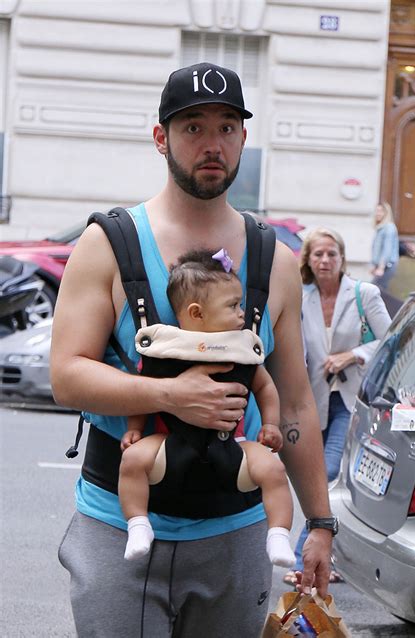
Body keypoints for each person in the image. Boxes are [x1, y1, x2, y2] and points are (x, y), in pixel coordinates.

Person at [50, 61, 333, 638]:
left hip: (235, 533)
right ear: (162, 138)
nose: (213, 144)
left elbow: (298, 405)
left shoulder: (276, 262)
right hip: (119, 528)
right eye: (194, 127)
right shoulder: (108, 245)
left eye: (227, 127)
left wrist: (321, 523)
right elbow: (65, 376)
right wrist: (170, 395)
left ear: (243, 139)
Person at [119, 248, 295, 568]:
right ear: (197, 313)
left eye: (240, 304)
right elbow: (144, 391)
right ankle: (138, 525)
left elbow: (266, 386)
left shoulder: (242, 347)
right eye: (233, 306)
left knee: (273, 469)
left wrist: (270, 424)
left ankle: (279, 535)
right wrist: (134, 428)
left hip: (234, 448)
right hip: (172, 446)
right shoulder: (165, 349)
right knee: (132, 461)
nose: (243, 313)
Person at [284, 227, 391, 586]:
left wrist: (353, 355)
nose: (326, 260)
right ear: (308, 261)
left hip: (354, 400)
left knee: (328, 471)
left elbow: (390, 341)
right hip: (314, 400)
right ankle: (333, 558)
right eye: (318, 254)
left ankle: (306, 560)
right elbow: (295, 349)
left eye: (332, 253)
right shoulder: (302, 297)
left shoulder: (364, 294)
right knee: (334, 480)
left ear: (342, 258)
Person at [370, 201, 399, 290]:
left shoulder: (389, 227)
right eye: (376, 211)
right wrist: (374, 266)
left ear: (386, 213)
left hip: (387, 266)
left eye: (381, 211)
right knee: (378, 290)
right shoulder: (380, 228)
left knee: (376, 289)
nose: (378, 213)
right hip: (381, 266)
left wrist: (381, 268)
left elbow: (387, 248)